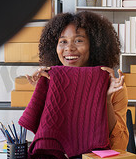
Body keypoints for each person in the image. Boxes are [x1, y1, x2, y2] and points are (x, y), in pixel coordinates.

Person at [26, 11, 129, 150]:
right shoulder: (49, 82)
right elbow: (44, 137)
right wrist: (41, 93)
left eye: (78, 40)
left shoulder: (114, 86)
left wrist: (106, 99)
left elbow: (119, 145)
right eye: (63, 42)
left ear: (94, 45)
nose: (69, 48)